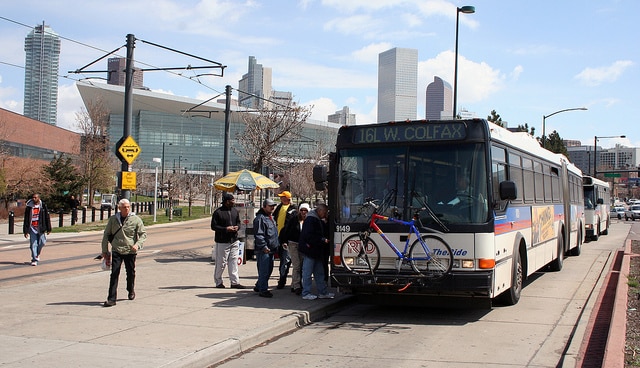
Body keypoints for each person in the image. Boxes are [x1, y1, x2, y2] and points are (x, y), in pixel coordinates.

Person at [101, 198, 147, 307]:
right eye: (124, 207)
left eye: (128, 207)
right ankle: (111, 299)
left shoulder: (136, 219)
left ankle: (130, 289)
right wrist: (104, 251)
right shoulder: (113, 220)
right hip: (117, 250)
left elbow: (143, 234)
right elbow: (106, 235)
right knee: (114, 274)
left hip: (130, 250)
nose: (126, 209)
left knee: (130, 272)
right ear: (119, 208)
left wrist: (137, 245)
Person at [299, 202, 334, 300]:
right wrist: (322, 240)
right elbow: (309, 236)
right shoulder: (311, 219)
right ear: (320, 211)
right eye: (325, 212)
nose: (325, 214)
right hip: (310, 250)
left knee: (319, 273)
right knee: (308, 273)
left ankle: (322, 292)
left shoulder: (315, 218)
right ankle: (306, 293)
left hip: (316, 251)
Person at [211, 193, 245, 289]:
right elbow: (213, 226)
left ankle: (234, 282)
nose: (234, 202)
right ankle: (218, 282)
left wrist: (237, 227)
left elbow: (238, 222)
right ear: (227, 202)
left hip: (234, 240)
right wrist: (226, 229)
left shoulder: (234, 211)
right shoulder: (218, 212)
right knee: (221, 263)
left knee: (234, 262)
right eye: (232, 200)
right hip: (222, 241)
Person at [280, 202, 309, 295]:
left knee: (301, 265)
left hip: (303, 245)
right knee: (296, 265)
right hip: (293, 244)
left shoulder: (310, 221)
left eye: (305, 210)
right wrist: (284, 241)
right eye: (302, 210)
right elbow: (285, 230)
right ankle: (297, 286)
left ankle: (293, 284)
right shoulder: (294, 220)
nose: (303, 212)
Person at [253, 198, 279, 298]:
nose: (272, 207)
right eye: (270, 206)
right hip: (264, 250)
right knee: (264, 271)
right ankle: (263, 290)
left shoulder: (270, 217)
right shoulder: (260, 218)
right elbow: (259, 234)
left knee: (269, 270)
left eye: (273, 206)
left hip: (271, 249)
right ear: (264, 206)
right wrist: (263, 246)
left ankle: (259, 285)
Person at [274, 190, 297, 289]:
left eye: (283, 197)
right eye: (280, 197)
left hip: (288, 239)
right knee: (283, 260)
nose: (281, 198)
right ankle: (282, 279)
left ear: (287, 198)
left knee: (287, 261)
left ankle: (294, 283)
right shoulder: (279, 207)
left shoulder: (293, 209)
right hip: (279, 237)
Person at [23, 193, 52, 266]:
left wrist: (49, 228)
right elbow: (26, 219)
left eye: (35, 197)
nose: (34, 199)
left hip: (40, 227)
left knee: (42, 242)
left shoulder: (43, 206)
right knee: (33, 244)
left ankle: (37, 254)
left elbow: (47, 217)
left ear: (39, 198)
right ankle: (34, 259)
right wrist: (25, 231)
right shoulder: (29, 207)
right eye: (33, 197)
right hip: (32, 227)